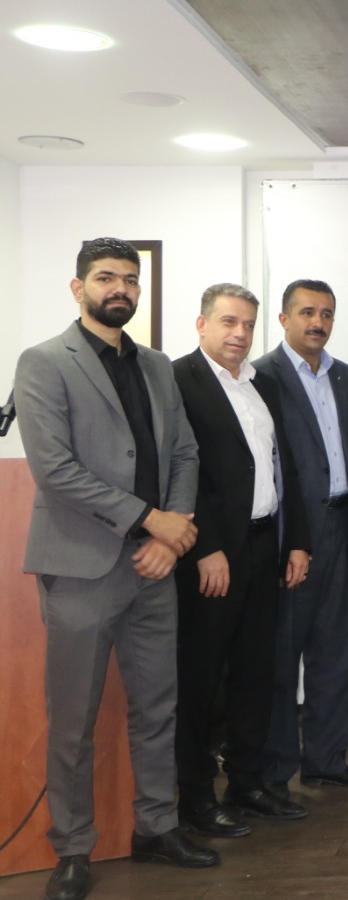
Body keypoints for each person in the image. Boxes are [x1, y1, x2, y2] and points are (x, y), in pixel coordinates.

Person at [16, 238, 217, 900]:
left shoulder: (157, 365)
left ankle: (157, 828)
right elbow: (56, 469)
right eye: (106, 278)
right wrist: (149, 519)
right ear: (79, 288)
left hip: (154, 568)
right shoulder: (45, 361)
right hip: (81, 567)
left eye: (130, 279)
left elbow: (184, 453)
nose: (120, 289)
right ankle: (73, 848)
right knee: (73, 720)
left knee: (158, 707)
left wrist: (173, 533)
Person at [171, 284, 312, 828]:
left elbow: (283, 466)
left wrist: (297, 540)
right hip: (209, 554)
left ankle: (247, 784)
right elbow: (179, 471)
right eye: (229, 322)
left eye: (249, 324)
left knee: (257, 672)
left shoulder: (262, 385)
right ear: (202, 324)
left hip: (262, 546)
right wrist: (205, 546)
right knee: (201, 679)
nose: (240, 333)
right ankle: (196, 798)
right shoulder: (178, 380)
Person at [253, 279, 348, 792]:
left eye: (327, 313)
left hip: (344, 528)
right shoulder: (260, 376)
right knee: (282, 660)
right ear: (284, 318)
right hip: (292, 537)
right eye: (307, 312)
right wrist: (292, 541)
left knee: (337, 655)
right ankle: (275, 774)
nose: (318, 322)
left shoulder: (345, 377)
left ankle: (327, 761)